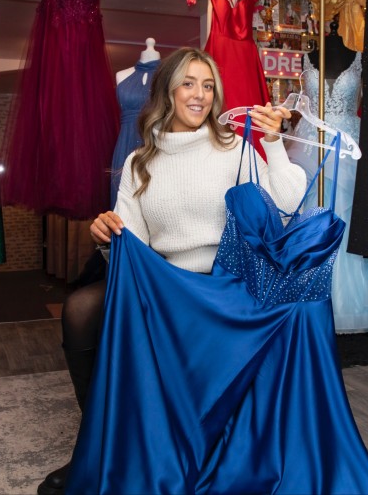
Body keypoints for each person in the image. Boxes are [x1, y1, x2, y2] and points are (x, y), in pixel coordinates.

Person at [37, 47, 305, 495]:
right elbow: (133, 249)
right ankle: (100, 443)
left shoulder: (234, 149)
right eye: (188, 83)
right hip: (165, 287)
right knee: (81, 308)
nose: (199, 95)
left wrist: (273, 143)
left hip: (223, 286)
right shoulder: (139, 162)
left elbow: (287, 205)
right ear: (168, 91)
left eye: (208, 85)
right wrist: (107, 236)